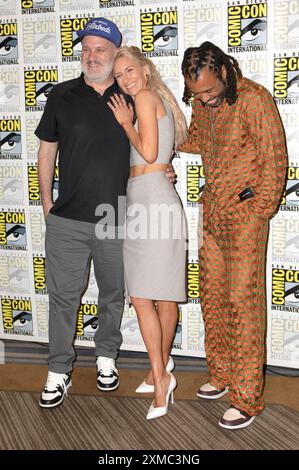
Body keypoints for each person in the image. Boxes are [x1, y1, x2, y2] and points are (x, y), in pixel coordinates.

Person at [35, 17, 175, 409]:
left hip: (117, 216)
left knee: (113, 295)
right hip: (66, 219)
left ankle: (107, 358)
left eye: (100, 49)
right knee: (63, 298)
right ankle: (58, 370)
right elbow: (47, 152)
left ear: (115, 55)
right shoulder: (61, 96)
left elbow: (152, 143)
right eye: (86, 48)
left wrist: (163, 165)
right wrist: (46, 202)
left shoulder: (132, 96)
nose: (91, 55)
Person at [179, 42, 287, 429]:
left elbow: (276, 160)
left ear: (223, 72)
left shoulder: (255, 99)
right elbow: (196, 140)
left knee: (244, 305)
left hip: (244, 220)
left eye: (208, 90)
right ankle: (221, 374)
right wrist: (161, 136)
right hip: (212, 214)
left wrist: (258, 212)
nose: (204, 99)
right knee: (211, 296)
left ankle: (247, 399)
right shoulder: (200, 104)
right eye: (196, 93)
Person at [107, 46, 187, 420]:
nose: (126, 79)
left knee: (142, 297)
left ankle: (159, 379)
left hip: (152, 201)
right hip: (146, 199)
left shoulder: (143, 97)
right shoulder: (154, 99)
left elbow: (151, 153)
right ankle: (162, 371)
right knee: (161, 299)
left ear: (145, 68)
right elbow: (157, 158)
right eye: (119, 75)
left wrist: (125, 123)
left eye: (129, 70)